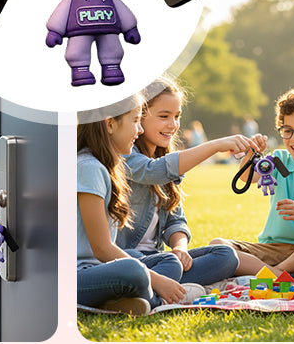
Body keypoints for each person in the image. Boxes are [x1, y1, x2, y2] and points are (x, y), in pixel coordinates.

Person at [118, 76, 264, 288]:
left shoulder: (169, 164)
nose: (173, 125)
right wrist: (215, 145)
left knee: (226, 255)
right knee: (163, 264)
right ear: (139, 118)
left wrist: (180, 248)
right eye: (164, 116)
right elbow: (153, 171)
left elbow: (175, 221)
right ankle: (159, 287)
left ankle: (157, 286)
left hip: (159, 260)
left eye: (177, 116)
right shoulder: (124, 154)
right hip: (125, 258)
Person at [77, 97, 205, 315]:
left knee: (170, 261)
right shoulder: (89, 167)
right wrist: (157, 280)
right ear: (110, 124)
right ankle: (153, 298)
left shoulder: (108, 166)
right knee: (133, 269)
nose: (139, 130)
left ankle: (119, 302)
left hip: (101, 269)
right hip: (77, 274)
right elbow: (102, 248)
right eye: (135, 121)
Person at [210, 84, 294, 279]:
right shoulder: (280, 161)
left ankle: (270, 274)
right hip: (271, 248)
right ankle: (282, 275)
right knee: (218, 245)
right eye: (288, 130)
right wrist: (251, 152)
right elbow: (246, 176)